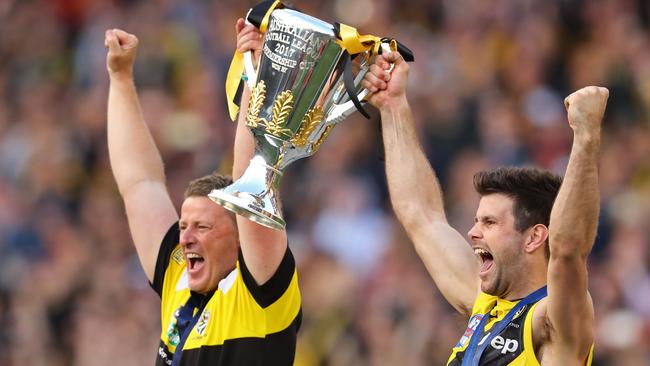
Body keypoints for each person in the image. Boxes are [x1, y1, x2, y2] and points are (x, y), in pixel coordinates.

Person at [362, 51, 608, 365]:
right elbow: (420, 215)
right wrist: (393, 105)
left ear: (534, 237)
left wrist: (586, 137)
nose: (472, 231)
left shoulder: (551, 321)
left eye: (489, 222)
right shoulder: (483, 303)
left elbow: (568, 250)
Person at [104, 21, 300, 366]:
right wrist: (120, 79)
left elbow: (251, 176)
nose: (186, 239)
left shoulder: (260, 294)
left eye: (203, 227)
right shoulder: (178, 277)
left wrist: (256, 69)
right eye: (184, 226)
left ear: (240, 238)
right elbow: (139, 183)